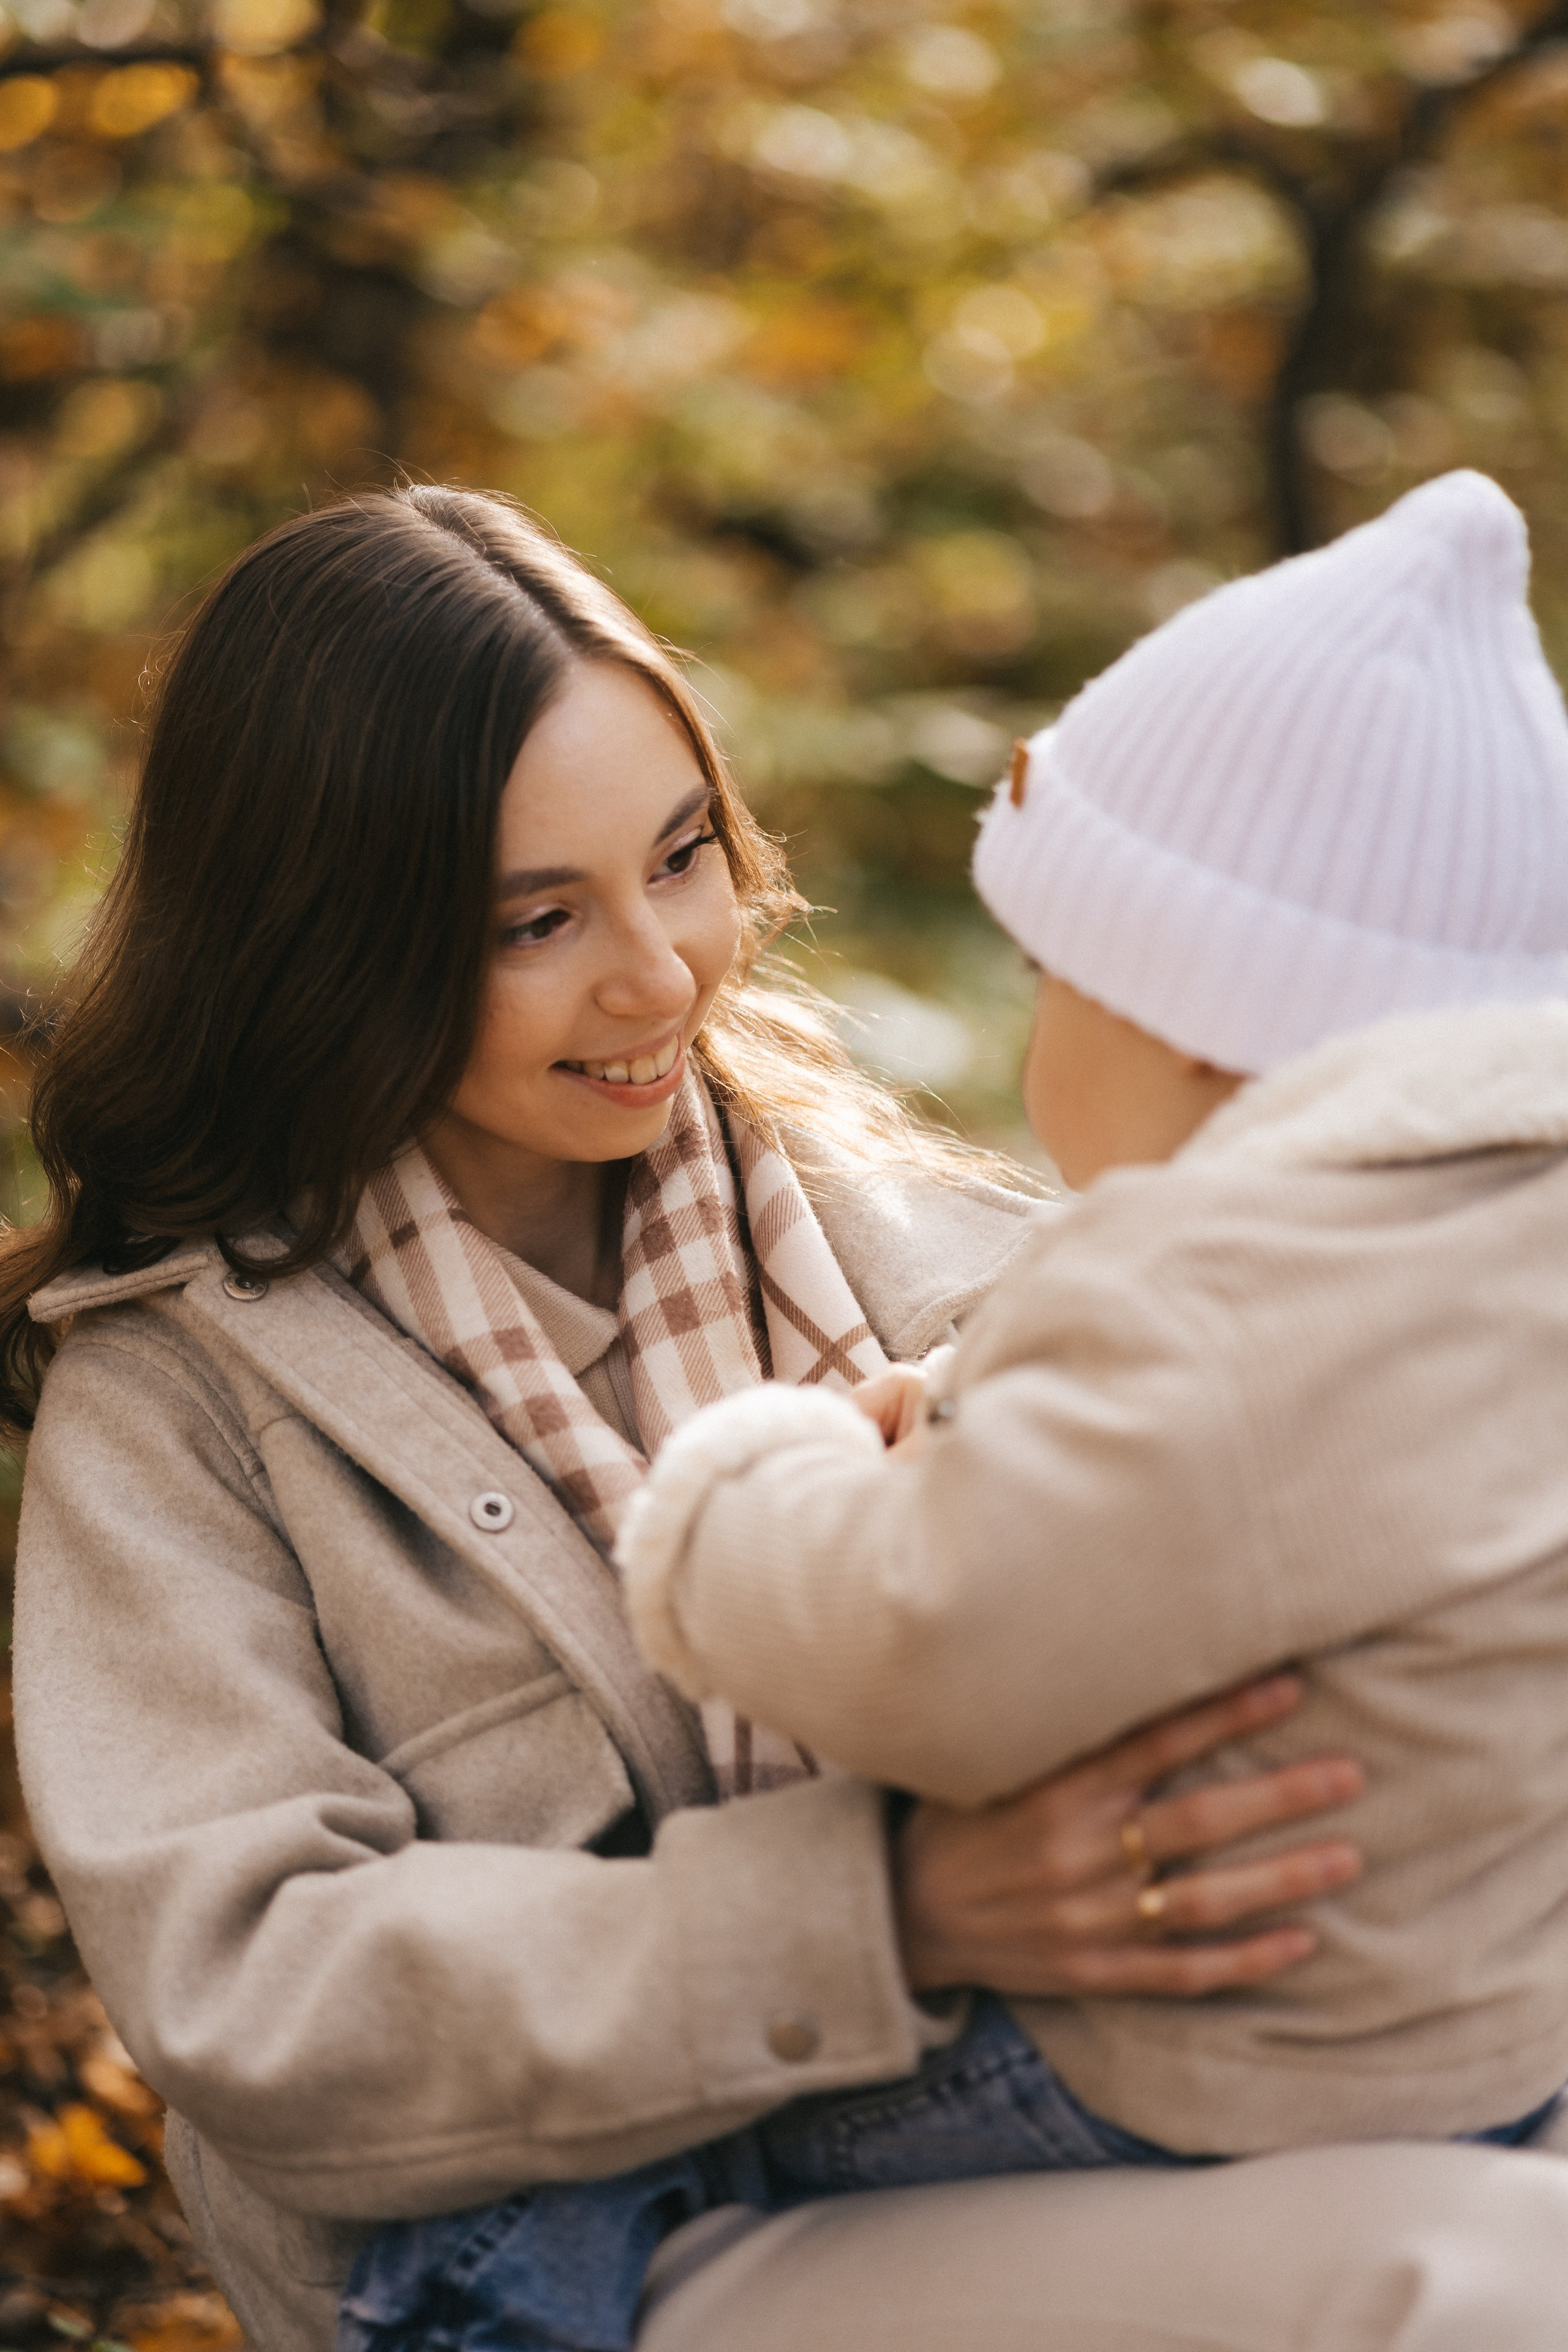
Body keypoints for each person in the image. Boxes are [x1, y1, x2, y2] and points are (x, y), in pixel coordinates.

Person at [4, 482, 1562, 2352]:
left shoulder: (891, 1215)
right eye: (533, 921)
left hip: (1063, 2127)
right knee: (1479, 2278)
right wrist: (887, 1914)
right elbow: (258, 2000)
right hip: (579, 2257)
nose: (660, 973)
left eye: (680, 857)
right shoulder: (179, 1406)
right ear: (321, 944)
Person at [617, 469, 1568, 2208]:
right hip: (1487, 2040)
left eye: (1058, 975)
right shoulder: (1509, 1246)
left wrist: (771, 1472)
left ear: (1200, 1015)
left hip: (1201, 2071)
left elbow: (928, 1651)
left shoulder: (1218, 1293)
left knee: (613, 2176)